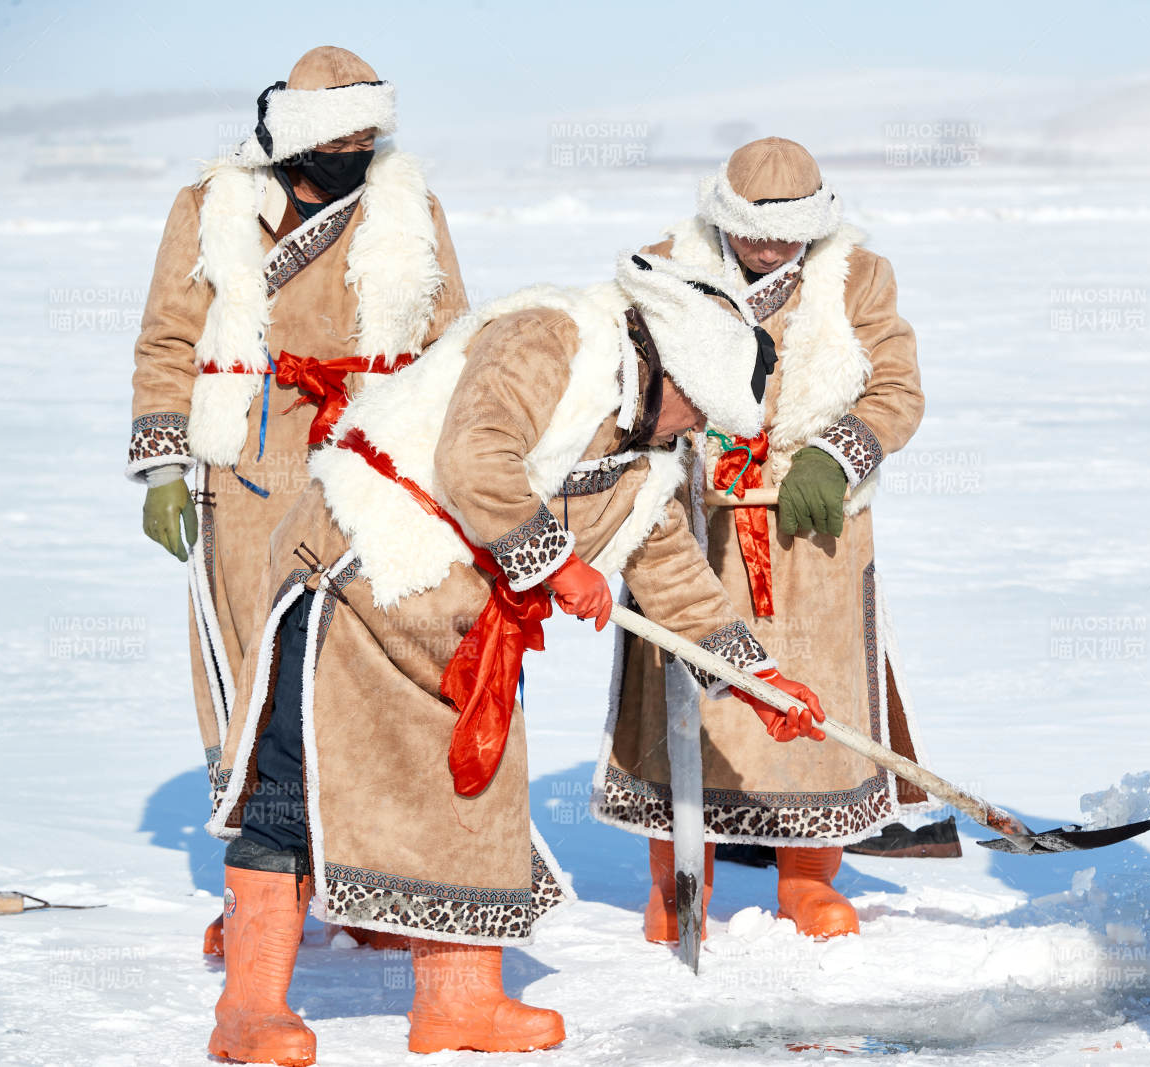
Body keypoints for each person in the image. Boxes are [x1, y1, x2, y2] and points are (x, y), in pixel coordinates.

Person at [202, 252, 828, 1062]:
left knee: (480, 794)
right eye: (698, 410)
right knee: (298, 783)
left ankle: (457, 1004)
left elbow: (673, 575)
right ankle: (248, 1009)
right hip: (361, 569)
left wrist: (757, 679)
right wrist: (559, 564)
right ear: (671, 368)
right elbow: (477, 455)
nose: (697, 431)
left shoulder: (650, 458)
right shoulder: (551, 339)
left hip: (465, 624)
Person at [127, 45, 468, 957]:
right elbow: (168, 338)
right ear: (302, 136)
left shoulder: (411, 208)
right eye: (342, 135)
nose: (359, 148)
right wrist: (165, 469)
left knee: (360, 664)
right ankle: (262, 891)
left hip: (373, 462)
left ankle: (365, 879)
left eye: (372, 134)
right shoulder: (212, 208)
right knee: (256, 669)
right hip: (248, 463)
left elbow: (451, 346)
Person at [595, 136, 931, 942]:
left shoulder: (859, 277)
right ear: (724, 217)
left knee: (809, 705)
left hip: (810, 532)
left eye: (788, 235)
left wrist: (835, 452)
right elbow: (622, 380)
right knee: (684, 706)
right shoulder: (662, 267)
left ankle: (806, 879)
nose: (771, 248)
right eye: (755, 231)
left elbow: (897, 387)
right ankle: (680, 879)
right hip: (691, 522)